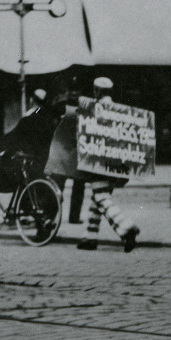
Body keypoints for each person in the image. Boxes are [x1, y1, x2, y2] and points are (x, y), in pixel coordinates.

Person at [47, 77, 140, 253]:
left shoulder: (94, 109)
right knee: (97, 198)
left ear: (96, 91)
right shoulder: (119, 110)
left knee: (101, 198)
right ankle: (89, 238)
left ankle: (127, 228)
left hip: (99, 162)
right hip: (116, 163)